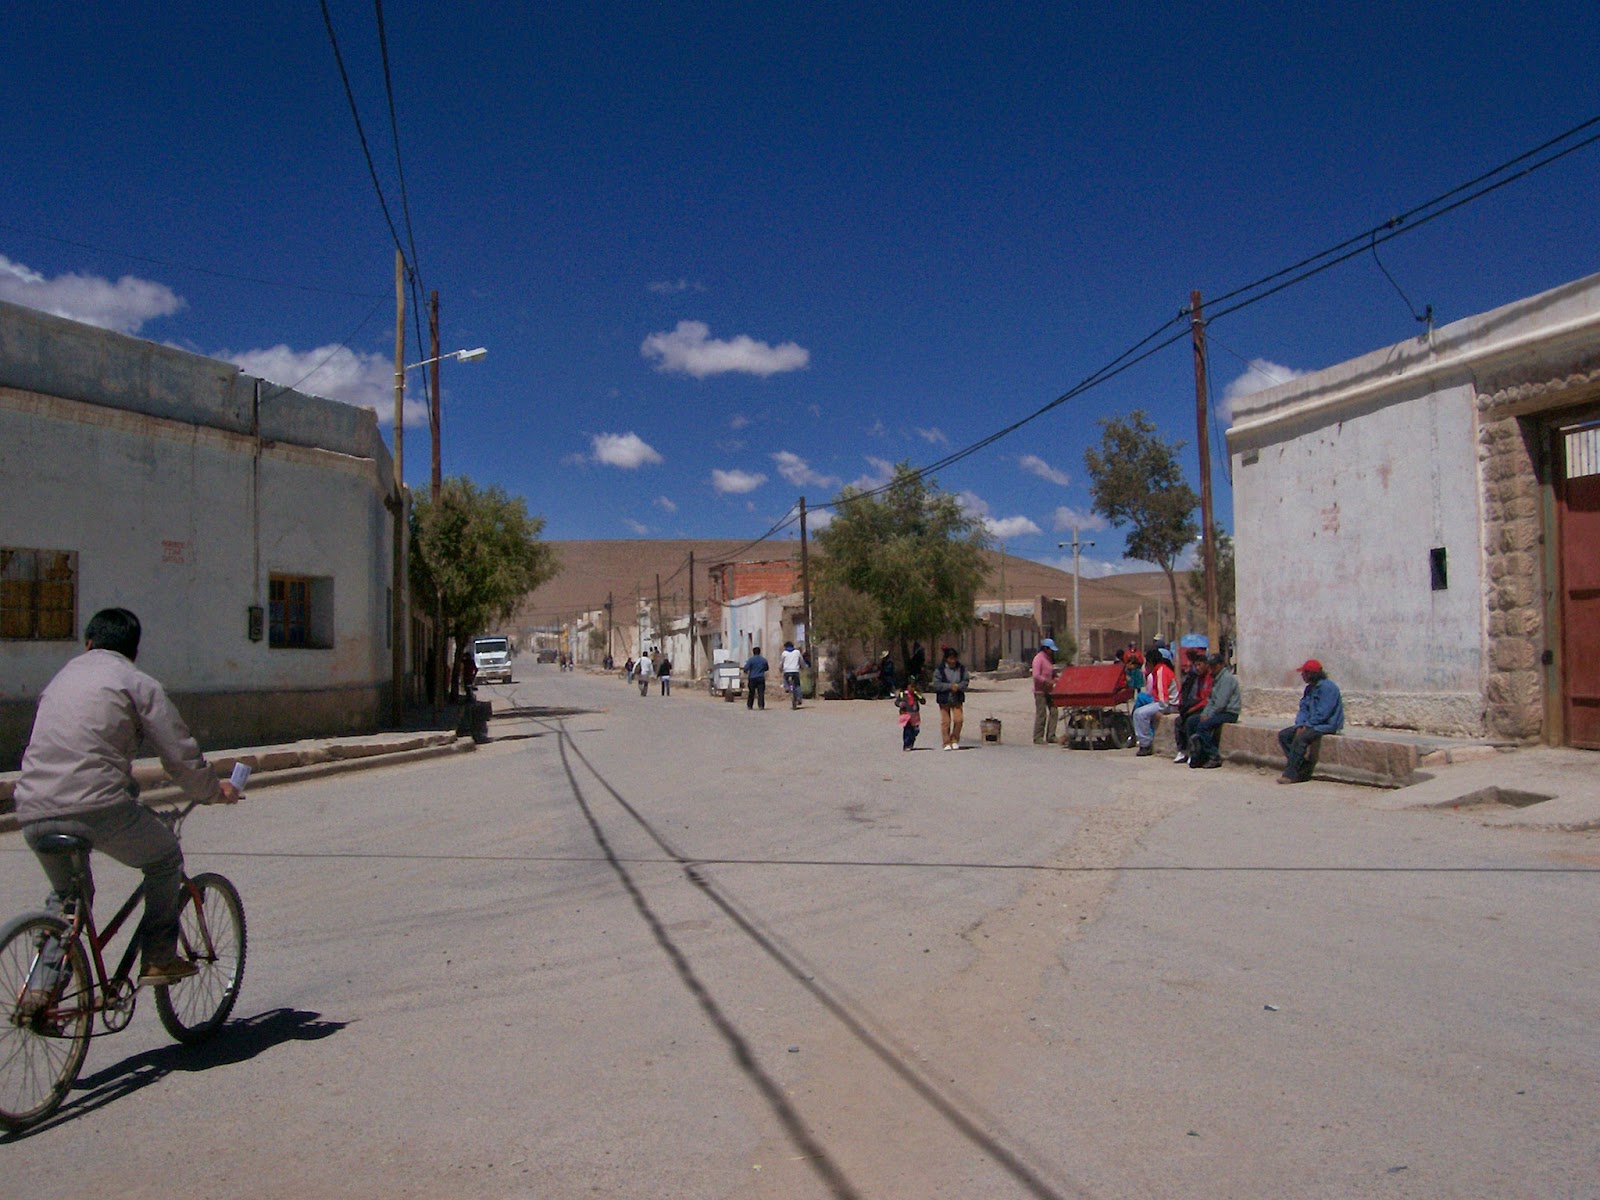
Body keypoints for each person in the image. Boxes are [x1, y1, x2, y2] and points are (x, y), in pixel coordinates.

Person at [14, 609, 239, 991]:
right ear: (134, 651)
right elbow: (179, 755)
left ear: (88, 643)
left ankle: (41, 991)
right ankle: (158, 957)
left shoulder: (58, 680)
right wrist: (213, 791)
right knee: (165, 859)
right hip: (96, 808)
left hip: (33, 807)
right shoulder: (136, 682)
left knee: (70, 897)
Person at [1278, 659, 1344, 783]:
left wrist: (1307, 726)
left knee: (1301, 738)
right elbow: (1303, 708)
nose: (1302, 676)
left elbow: (1324, 713)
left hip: (1325, 725)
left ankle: (1291, 774)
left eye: (1304, 673)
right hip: (1310, 724)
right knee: (1284, 735)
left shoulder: (1328, 688)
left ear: (1311, 674)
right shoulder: (1309, 689)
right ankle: (1303, 767)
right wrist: (1300, 724)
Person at [1186, 654, 1241, 768]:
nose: (1212, 668)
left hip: (1229, 712)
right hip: (1218, 711)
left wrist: (1209, 715)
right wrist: (1205, 713)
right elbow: (1211, 700)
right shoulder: (1216, 678)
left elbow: (1221, 703)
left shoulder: (1227, 679)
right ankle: (1197, 754)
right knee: (1191, 721)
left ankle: (1213, 755)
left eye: (1214, 666)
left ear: (1221, 665)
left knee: (1203, 726)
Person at [1132, 641, 1178, 757]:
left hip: (1169, 704)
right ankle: (1145, 739)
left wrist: (1160, 710)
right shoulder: (1159, 670)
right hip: (1163, 702)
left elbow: (1163, 698)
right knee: (1141, 710)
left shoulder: (1161, 672)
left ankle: (1145, 744)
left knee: (1140, 713)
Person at [1173, 649, 1211, 763]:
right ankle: (1182, 750)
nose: (1197, 668)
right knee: (1179, 721)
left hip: (1207, 708)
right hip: (1199, 705)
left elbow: (1207, 699)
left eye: (1199, 665)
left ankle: (1193, 750)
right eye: (1196, 665)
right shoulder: (1196, 678)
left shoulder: (1210, 678)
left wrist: (1192, 709)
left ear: (1206, 665)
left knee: (1190, 721)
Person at [932, 645, 970, 750]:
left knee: (959, 720)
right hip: (944, 699)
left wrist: (959, 687)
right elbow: (936, 684)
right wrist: (949, 686)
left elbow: (965, 681)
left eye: (954, 658)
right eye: (950, 658)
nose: (952, 661)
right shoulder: (940, 670)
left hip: (957, 698)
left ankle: (955, 739)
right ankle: (946, 742)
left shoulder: (961, 669)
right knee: (946, 721)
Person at [1031, 638, 1061, 745]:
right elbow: (1036, 675)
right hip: (1040, 691)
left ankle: (1051, 735)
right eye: (1050, 649)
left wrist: (1057, 678)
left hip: (1049, 691)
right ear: (1045, 648)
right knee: (1041, 714)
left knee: (1054, 711)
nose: (1052, 652)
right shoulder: (1038, 659)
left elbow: (1052, 673)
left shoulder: (1048, 659)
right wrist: (1046, 682)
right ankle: (1038, 737)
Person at [896, 681, 923, 751]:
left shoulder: (916, 694)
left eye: (914, 687)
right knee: (907, 730)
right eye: (911, 687)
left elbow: (923, 701)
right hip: (906, 714)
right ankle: (906, 744)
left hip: (914, 714)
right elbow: (897, 702)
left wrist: (920, 696)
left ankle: (911, 742)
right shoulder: (902, 694)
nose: (912, 689)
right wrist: (900, 704)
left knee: (915, 730)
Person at [780, 641, 806, 708]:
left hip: (787, 671)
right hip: (795, 671)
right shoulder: (797, 652)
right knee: (797, 685)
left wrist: (780, 668)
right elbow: (801, 661)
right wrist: (802, 667)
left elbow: (781, 663)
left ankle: (787, 688)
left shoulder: (784, 653)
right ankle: (799, 698)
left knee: (785, 680)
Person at [744, 646, 769, 710]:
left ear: (753, 652)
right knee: (761, 692)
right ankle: (761, 705)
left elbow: (746, 668)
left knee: (751, 692)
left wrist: (746, 672)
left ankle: (750, 705)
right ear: (759, 652)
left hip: (752, 678)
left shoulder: (751, 660)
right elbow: (766, 668)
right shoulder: (763, 660)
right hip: (761, 678)